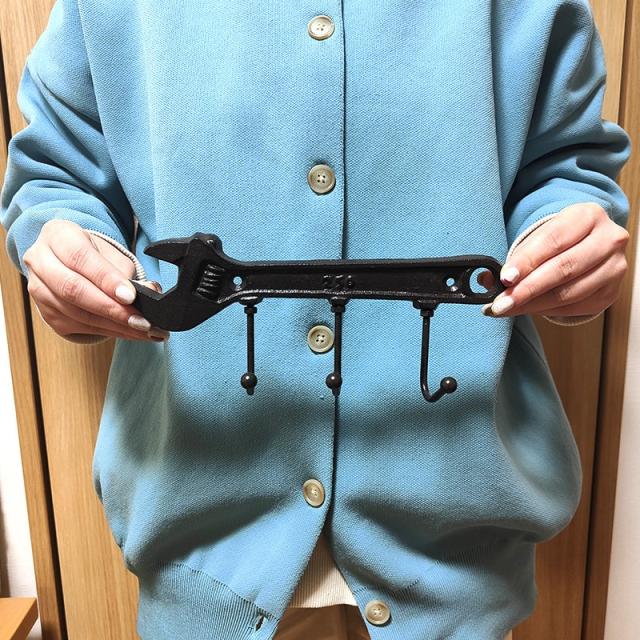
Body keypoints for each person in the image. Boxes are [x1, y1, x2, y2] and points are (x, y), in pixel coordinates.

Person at [0, 1, 631, 639]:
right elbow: (54, 174)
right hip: (200, 531)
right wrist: (67, 248)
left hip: (458, 548)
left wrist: (566, 234)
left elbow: (566, 166)